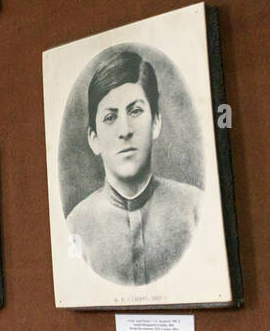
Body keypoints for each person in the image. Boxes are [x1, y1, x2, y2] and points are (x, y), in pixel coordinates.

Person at [66, 50, 200, 286]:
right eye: (110, 117)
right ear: (93, 139)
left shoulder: (194, 208)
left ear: (156, 122)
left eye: (135, 111)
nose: (125, 130)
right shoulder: (76, 226)